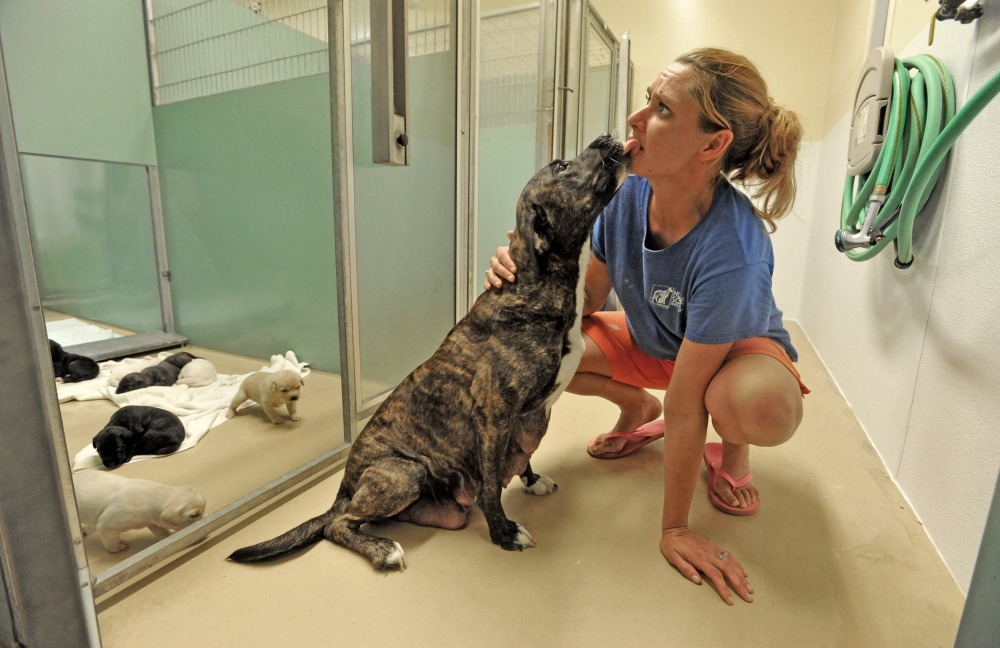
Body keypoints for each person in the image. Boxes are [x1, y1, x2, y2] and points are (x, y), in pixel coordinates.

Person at [485, 47, 809, 605]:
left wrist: (674, 529)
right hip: (655, 337)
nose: (635, 121)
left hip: (731, 357)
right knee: (542, 347)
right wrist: (525, 275)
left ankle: (732, 453)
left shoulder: (733, 247)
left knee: (754, 404)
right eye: (646, 102)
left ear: (713, 144)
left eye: (661, 109)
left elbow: (689, 403)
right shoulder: (627, 193)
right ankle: (637, 409)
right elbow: (587, 297)